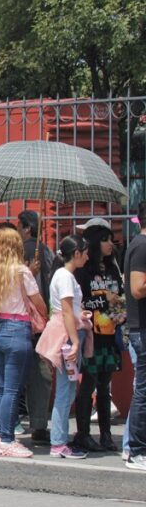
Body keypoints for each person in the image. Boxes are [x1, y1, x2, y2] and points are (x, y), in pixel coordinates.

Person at [0, 227, 48, 458]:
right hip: (17, 329)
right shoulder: (21, 271)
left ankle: (1, 435)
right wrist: (45, 314)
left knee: (1, 387)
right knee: (12, 389)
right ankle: (8, 440)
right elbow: (38, 301)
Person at [35, 235, 90, 459]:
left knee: (66, 390)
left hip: (67, 332)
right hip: (67, 337)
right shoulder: (66, 276)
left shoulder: (61, 274)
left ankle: (59, 441)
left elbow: (68, 310)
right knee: (66, 391)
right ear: (76, 253)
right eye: (85, 252)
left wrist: (80, 315)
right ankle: (58, 442)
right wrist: (75, 340)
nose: (87, 256)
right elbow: (66, 311)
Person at [73, 219, 125, 452]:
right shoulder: (83, 271)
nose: (109, 244)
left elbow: (120, 295)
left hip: (110, 335)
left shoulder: (113, 268)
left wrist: (120, 311)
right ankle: (83, 434)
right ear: (94, 242)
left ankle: (106, 434)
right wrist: (105, 300)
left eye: (111, 239)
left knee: (105, 387)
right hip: (91, 336)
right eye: (104, 240)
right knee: (88, 385)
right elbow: (82, 301)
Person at [18, 210, 56, 446]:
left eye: (19, 227)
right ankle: (39, 424)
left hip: (21, 319)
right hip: (42, 322)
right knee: (41, 376)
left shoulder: (22, 251)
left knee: (12, 376)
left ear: (27, 228)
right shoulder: (48, 251)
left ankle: (8, 424)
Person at [123, 201, 146, 472]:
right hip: (142, 329)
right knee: (143, 392)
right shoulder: (141, 247)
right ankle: (136, 450)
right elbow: (138, 288)